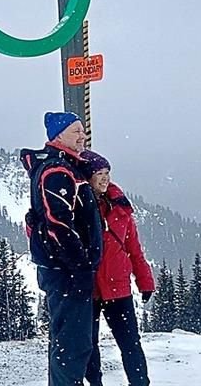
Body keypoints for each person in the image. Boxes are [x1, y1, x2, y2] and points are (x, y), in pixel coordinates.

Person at [22, 111, 103, 386]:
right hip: (66, 273)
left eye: (82, 130)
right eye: (76, 131)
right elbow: (60, 224)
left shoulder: (66, 167)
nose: (83, 136)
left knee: (71, 343)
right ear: (58, 136)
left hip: (65, 271)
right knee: (72, 345)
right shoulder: (57, 170)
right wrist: (80, 267)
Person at [79, 150, 154, 386]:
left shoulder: (120, 209)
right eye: (98, 173)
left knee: (130, 342)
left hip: (118, 288)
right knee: (89, 344)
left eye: (107, 173)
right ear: (87, 177)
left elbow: (134, 250)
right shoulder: (78, 207)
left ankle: (140, 383)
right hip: (89, 288)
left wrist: (145, 281)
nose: (104, 178)